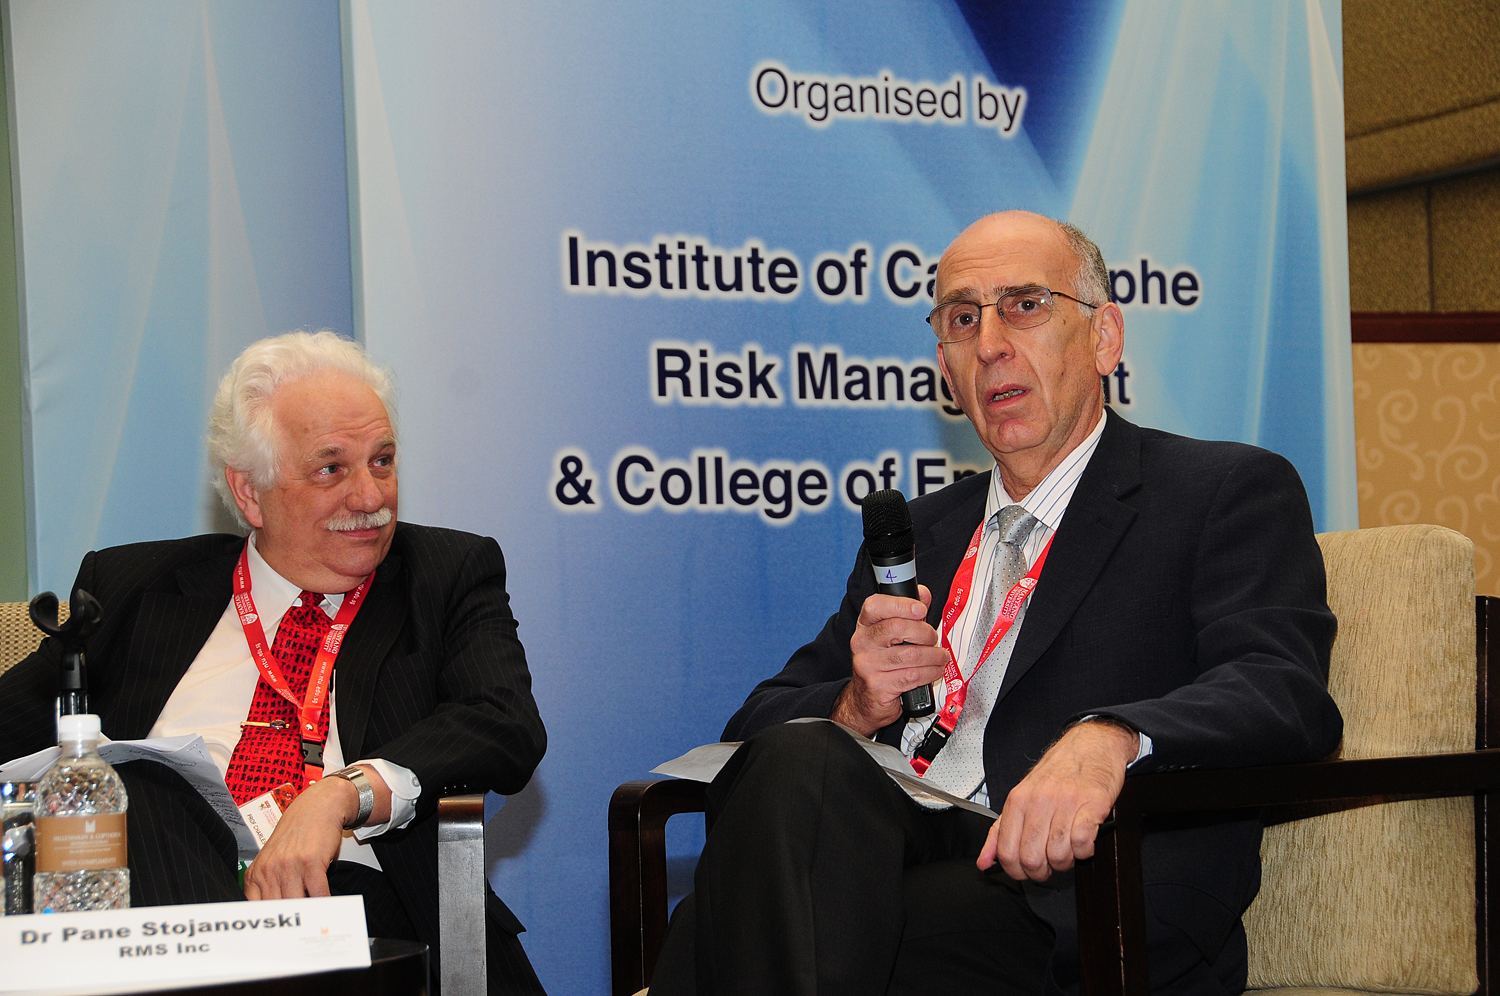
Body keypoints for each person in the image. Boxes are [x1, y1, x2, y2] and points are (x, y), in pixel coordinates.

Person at [648, 212, 1343, 996]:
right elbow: (754, 729)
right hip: (896, 851)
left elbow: (1281, 689)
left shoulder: (1220, 491)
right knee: (800, 766)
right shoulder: (920, 535)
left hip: (1075, 887)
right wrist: (854, 706)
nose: (990, 345)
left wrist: (1112, 736)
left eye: (1025, 306)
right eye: (961, 319)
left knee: (722, 927)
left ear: (1105, 337)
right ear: (945, 371)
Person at [0, 331, 547, 995]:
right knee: (140, 786)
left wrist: (341, 793)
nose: (369, 497)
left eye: (382, 461)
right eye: (331, 469)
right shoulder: (135, 589)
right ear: (250, 492)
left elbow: (503, 722)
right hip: (163, 906)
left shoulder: (444, 575)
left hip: (359, 918)